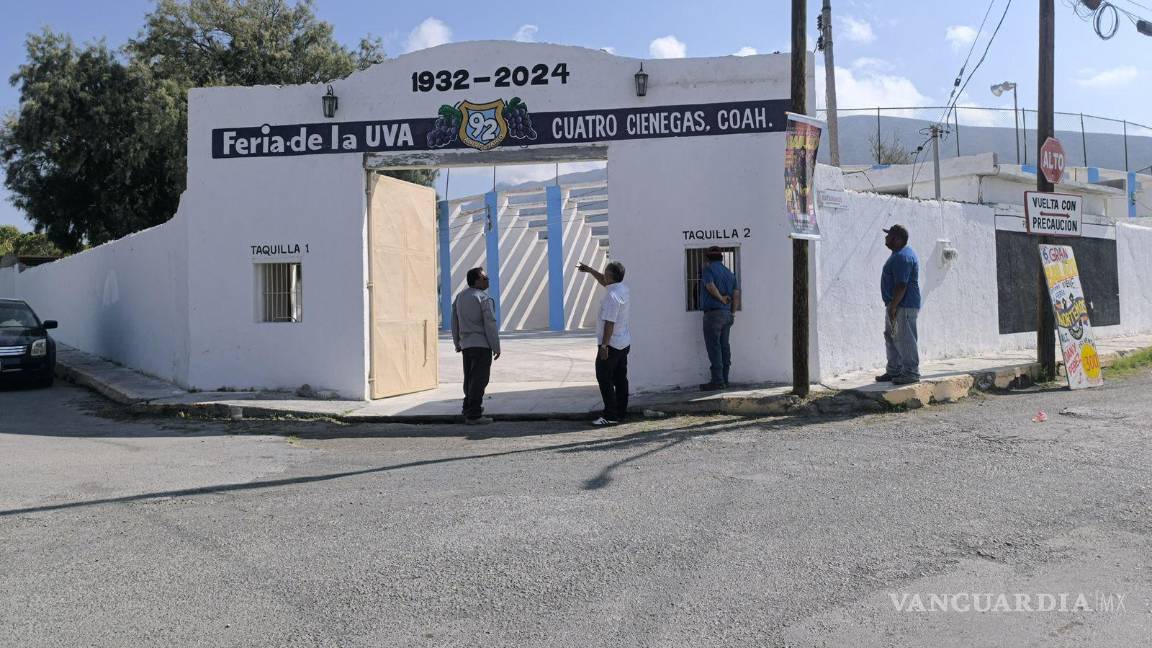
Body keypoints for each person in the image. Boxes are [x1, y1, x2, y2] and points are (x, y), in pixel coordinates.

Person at [577, 260, 630, 425]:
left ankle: (611, 416)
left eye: (605, 272)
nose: (603, 274)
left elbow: (609, 323)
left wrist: (604, 346)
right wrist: (590, 270)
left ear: (610, 276)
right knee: (621, 379)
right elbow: (604, 281)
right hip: (623, 342)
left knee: (604, 377)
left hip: (611, 344)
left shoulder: (611, 297)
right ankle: (620, 413)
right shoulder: (622, 289)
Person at [451, 267, 500, 424]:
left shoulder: (460, 297)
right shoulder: (483, 298)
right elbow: (490, 324)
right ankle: (474, 414)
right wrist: (496, 346)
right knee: (480, 379)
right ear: (477, 280)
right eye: (485, 278)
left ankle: (468, 408)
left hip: (466, 345)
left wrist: (457, 342)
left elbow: (454, 322)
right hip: (482, 345)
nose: (488, 281)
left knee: (469, 378)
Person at [877, 224, 921, 385]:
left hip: (903, 305)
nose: (886, 238)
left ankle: (911, 372)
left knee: (905, 338)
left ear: (898, 239)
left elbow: (901, 285)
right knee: (891, 336)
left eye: (889, 236)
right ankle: (894, 370)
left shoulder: (903, 257)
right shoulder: (898, 254)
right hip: (895, 304)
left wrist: (894, 306)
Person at [699, 246, 740, 390]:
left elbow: (710, 286)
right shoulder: (730, 273)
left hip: (713, 314)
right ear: (722, 258)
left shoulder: (708, 270)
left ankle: (717, 381)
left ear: (708, 258)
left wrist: (721, 299)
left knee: (714, 347)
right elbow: (736, 294)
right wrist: (732, 313)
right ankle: (725, 379)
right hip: (727, 314)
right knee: (724, 346)